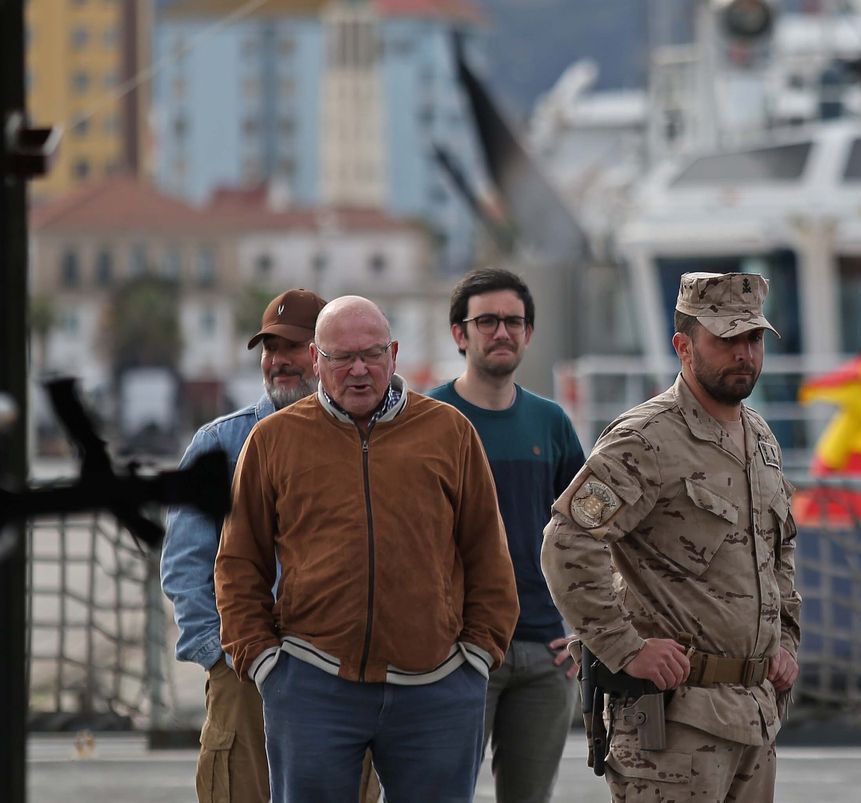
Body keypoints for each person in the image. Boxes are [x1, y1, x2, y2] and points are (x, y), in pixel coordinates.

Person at [216, 295, 519, 803]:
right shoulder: (272, 440)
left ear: (394, 354)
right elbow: (238, 562)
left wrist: (477, 656)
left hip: (438, 687)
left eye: (372, 354)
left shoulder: (449, 432)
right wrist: (264, 660)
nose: (359, 370)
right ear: (316, 360)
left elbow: (487, 550)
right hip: (311, 686)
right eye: (341, 358)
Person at [542, 272, 801, 803]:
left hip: (755, 718)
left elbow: (780, 553)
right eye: (726, 340)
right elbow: (567, 542)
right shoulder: (646, 439)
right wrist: (623, 648)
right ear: (683, 346)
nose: (745, 354)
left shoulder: (760, 438)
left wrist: (787, 643)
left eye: (753, 339)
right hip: (674, 727)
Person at [161, 288, 385, 803]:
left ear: (321, 353)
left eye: (292, 347)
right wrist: (222, 658)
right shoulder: (219, 444)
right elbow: (185, 564)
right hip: (246, 672)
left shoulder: (374, 443)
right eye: (269, 349)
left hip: (346, 675)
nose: (279, 362)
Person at [427, 268, 585, 803]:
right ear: (459, 333)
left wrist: (584, 629)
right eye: (487, 320)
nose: (501, 332)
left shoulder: (551, 424)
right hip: (455, 653)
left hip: (546, 655)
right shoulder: (427, 420)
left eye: (513, 322)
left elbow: (589, 536)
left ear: (528, 334)